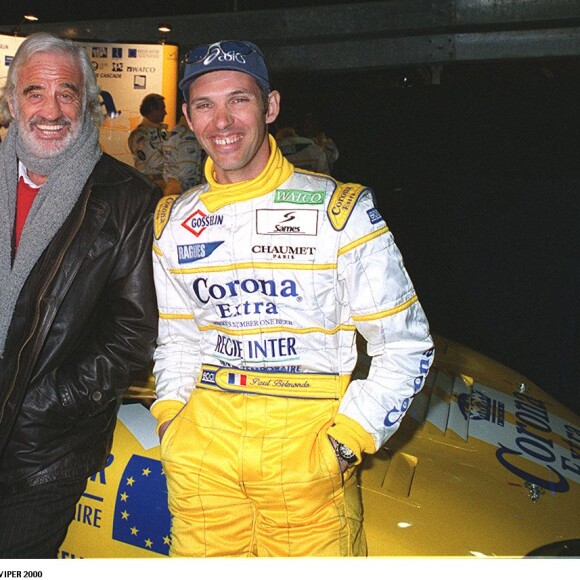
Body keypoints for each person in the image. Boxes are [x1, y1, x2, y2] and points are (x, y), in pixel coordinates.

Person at [151, 39, 434, 558]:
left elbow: (406, 345)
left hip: (306, 467)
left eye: (239, 99)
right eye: (204, 105)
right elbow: (178, 339)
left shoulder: (340, 210)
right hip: (202, 468)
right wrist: (172, 417)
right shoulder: (173, 221)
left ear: (271, 106)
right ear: (188, 119)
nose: (222, 121)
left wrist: (345, 444)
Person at [0, 32, 160, 558]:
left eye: (67, 93)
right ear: (10, 101)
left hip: (40, 454)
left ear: (88, 104)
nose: (52, 110)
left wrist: (40, 405)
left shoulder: (127, 199)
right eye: (34, 93)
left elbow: (132, 335)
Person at [128, 93, 168, 189]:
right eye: (162, 109)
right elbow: (155, 162)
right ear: (152, 110)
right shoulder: (139, 135)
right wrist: (176, 163)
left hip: (164, 183)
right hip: (149, 185)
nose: (165, 112)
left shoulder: (163, 132)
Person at [162, 114, 205, 196]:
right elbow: (187, 171)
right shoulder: (188, 136)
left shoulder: (174, 132)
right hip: (182, 190)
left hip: (171, 186)